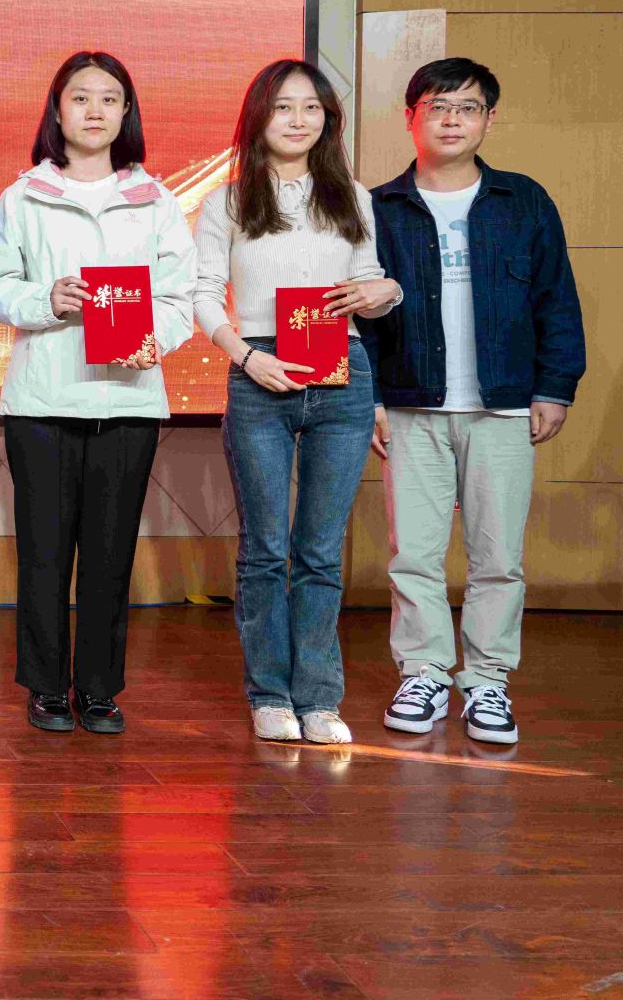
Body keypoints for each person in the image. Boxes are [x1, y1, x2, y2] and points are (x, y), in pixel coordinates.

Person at [0, 51, 195, 735]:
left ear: (127, 112)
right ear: (57, 110)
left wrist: (152, 338)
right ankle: (46, 686)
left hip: (128, 400)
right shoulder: (24, 196)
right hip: (43, 399)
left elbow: (179, 298)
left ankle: (99, 689)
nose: (94, 110)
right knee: (43, 554)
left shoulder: (157, 200)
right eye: (80, 97)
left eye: (108, 98)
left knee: (110, 553)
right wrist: (47, 299)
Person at [367, 57, 584, 746]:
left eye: (467, 107)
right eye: (436, 106)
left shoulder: (524, 201)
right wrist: (369, 398)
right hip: (410, 404)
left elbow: (556, 299)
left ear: (489, 119)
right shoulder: (378, 208)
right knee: (414, 554)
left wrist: (555, 387)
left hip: (504, 406)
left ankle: (488, 680)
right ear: (410, 118)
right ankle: (425, 671)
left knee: (498, 557)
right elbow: (356, 318)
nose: (452, 120)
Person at [193, 60, 399, 745]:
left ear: (327, 120)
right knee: (264, 549)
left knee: (319, 551)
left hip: (343, 370)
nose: (298, 119)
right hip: (259, 369)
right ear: (259, 117)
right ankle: (270, 694)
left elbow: (370, 283)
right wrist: (247, 357)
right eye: (283, 107)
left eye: (312, 108)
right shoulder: (227, 202)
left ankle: (319, 698)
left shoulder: (353, 197)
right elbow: (202, 295)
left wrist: (386, 291)